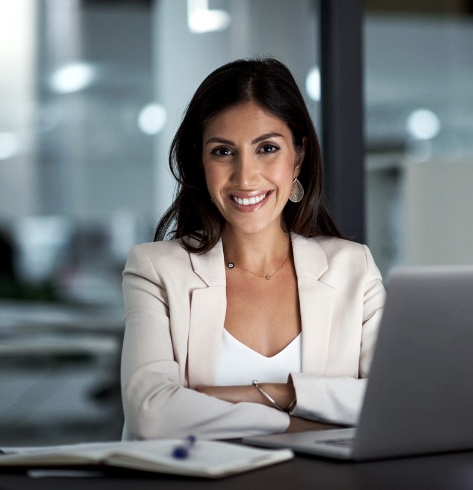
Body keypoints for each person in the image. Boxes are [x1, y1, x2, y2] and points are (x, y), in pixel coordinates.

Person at [120, 57, 386, 440]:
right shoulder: (156, 269)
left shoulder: (353, 269)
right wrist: (303, 421)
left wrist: (276, 393)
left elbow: (391, 402)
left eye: (267, 148)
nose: (245, 177)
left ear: (299, 157)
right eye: (223, 152)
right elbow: (153, 417)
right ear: (200, 162)